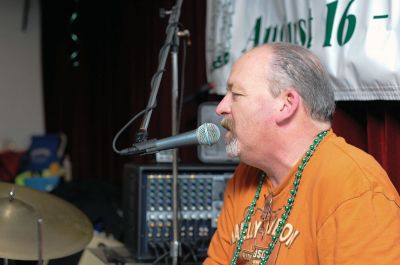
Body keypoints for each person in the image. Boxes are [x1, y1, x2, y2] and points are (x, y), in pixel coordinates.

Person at [204, 43, 400, 265]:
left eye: (236, 94)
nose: (221, 107)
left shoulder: (355, 188)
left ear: (286, 104)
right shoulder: (245, 176)